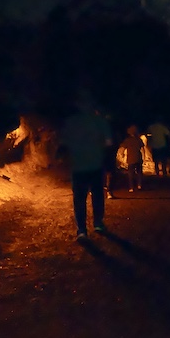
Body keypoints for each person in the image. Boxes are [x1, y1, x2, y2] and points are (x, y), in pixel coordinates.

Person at [60, 93, 112, 240]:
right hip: (96, 164)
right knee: (97, 195)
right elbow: (108, 144)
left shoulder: (70, 122)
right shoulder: (100, 121)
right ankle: (98, 223)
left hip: (78, 166)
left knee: (79, 198)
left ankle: (82, 230)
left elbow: (64, 144)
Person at [121, 125, 145, 191]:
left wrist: (122, 156)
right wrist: (144, 157)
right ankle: (139, 185)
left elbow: (123, 149)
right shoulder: (139, 140)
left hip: (130, 158)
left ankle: (131, 187)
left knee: (130, 174)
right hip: (138, 157)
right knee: (139, 172)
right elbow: (142, 149)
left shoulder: (127, 140)